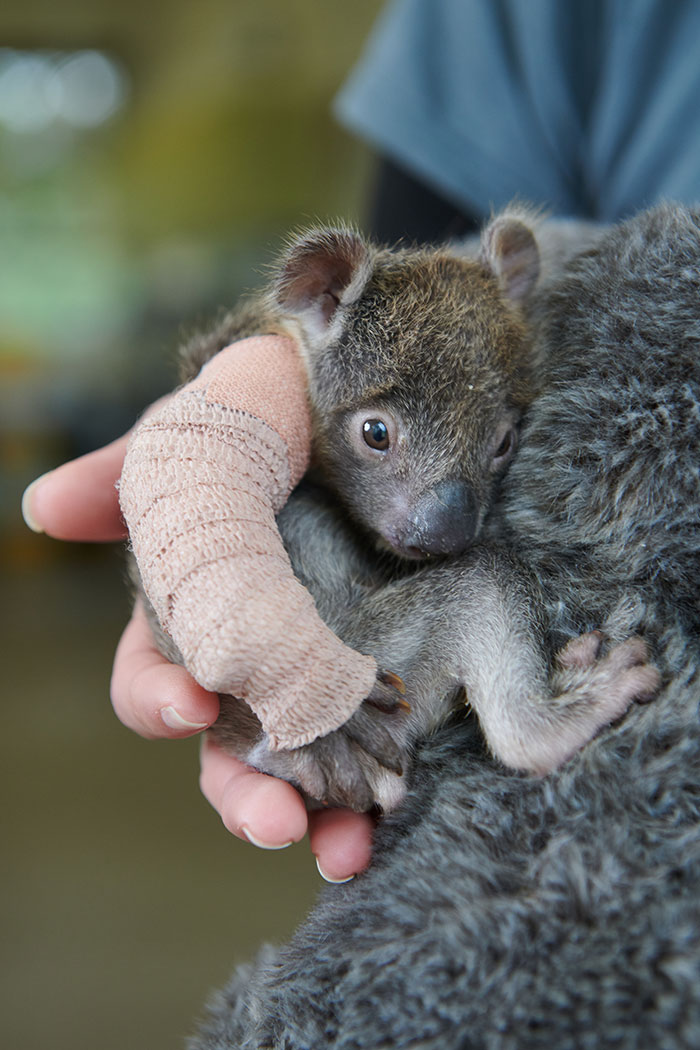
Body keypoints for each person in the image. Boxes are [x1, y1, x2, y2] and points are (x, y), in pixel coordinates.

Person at [22, 0, 700, 882]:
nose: (442, 513)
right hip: (335, 682)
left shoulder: (489, 328)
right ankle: (533, 718)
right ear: (316, 294)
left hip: (356, 692)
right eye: (379, 437)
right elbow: (413, 258)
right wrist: (237, 408)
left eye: (494, 447)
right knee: (478, 577)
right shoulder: (509, 25)